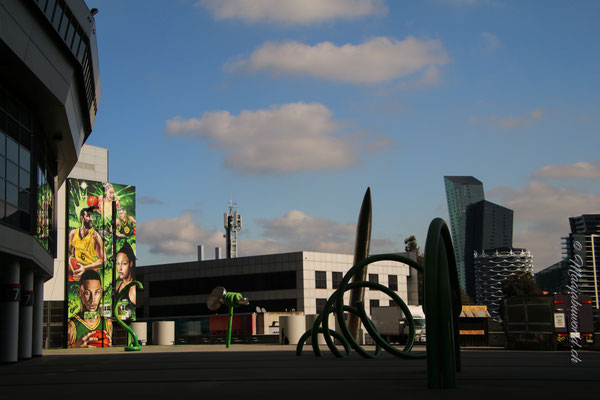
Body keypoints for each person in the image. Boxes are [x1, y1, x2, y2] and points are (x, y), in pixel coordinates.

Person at [67, 270, 112, 348]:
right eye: (87, 293)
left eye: (97, 292)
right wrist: (74, 346)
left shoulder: (107, 323)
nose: (93, 299)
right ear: (79, 293)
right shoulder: (71, 325)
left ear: (101, 293)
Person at [68, 207, 106, 281]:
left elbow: (103, 261)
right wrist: (73, 269)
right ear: (82, 218)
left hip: (91, 273)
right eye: (88, 216)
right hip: (78, 272)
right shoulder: (73, 233)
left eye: (92, 216)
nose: (91, 219)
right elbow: (69, 254)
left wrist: (85, 268)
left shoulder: (96, 236)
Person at [115, 241, 136, 307]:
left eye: (124, 263)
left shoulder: (133, 289)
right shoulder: (119, 286)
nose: (120, 268)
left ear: (131, 263)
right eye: (118, 264)